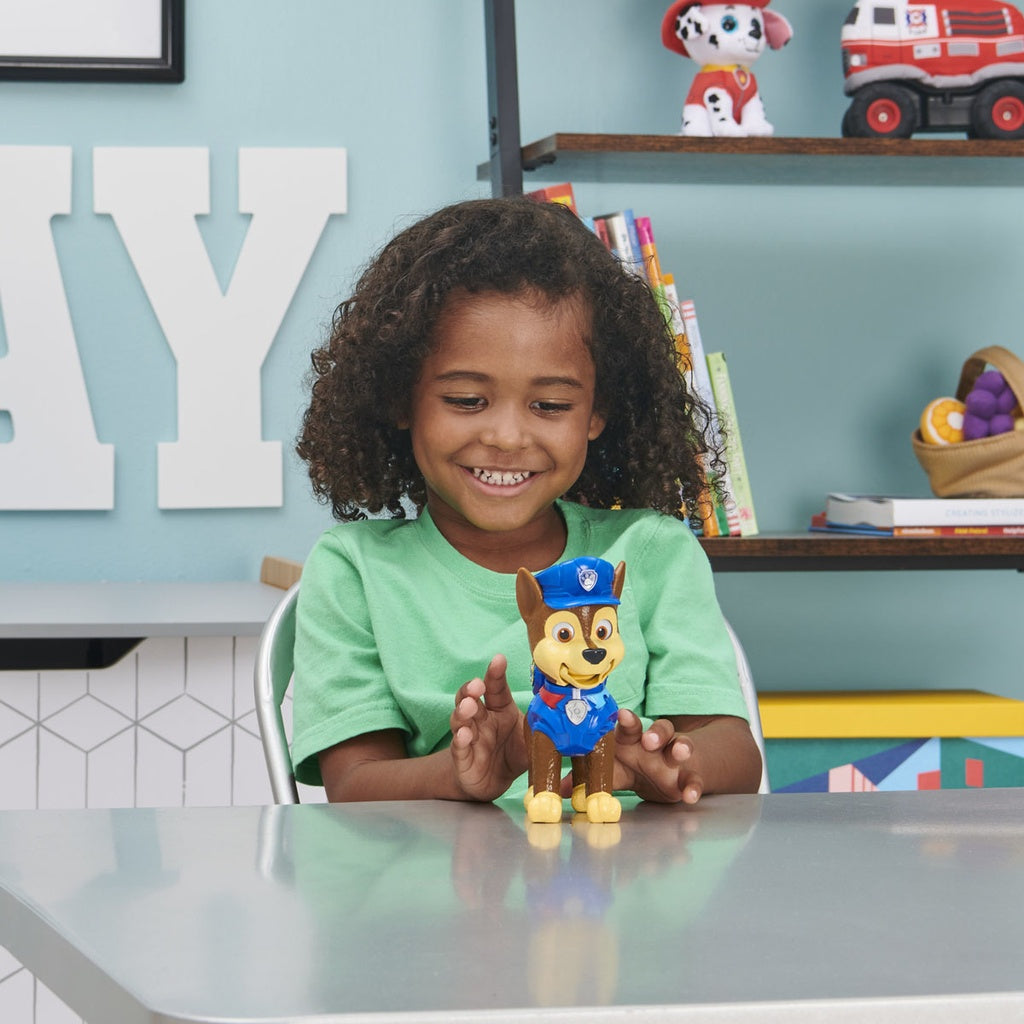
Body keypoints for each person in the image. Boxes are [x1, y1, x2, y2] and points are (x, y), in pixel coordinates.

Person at [292, 196, 762, 807]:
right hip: (436, 871)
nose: (508, 437)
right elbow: (354, 783)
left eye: (550, 405)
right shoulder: (354, 571)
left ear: (596, 413)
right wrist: (459, 775)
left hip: (627, 867)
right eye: (467, 400)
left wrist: (661, 762)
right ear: (401, 398)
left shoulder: (653, 554)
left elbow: (735, 753)